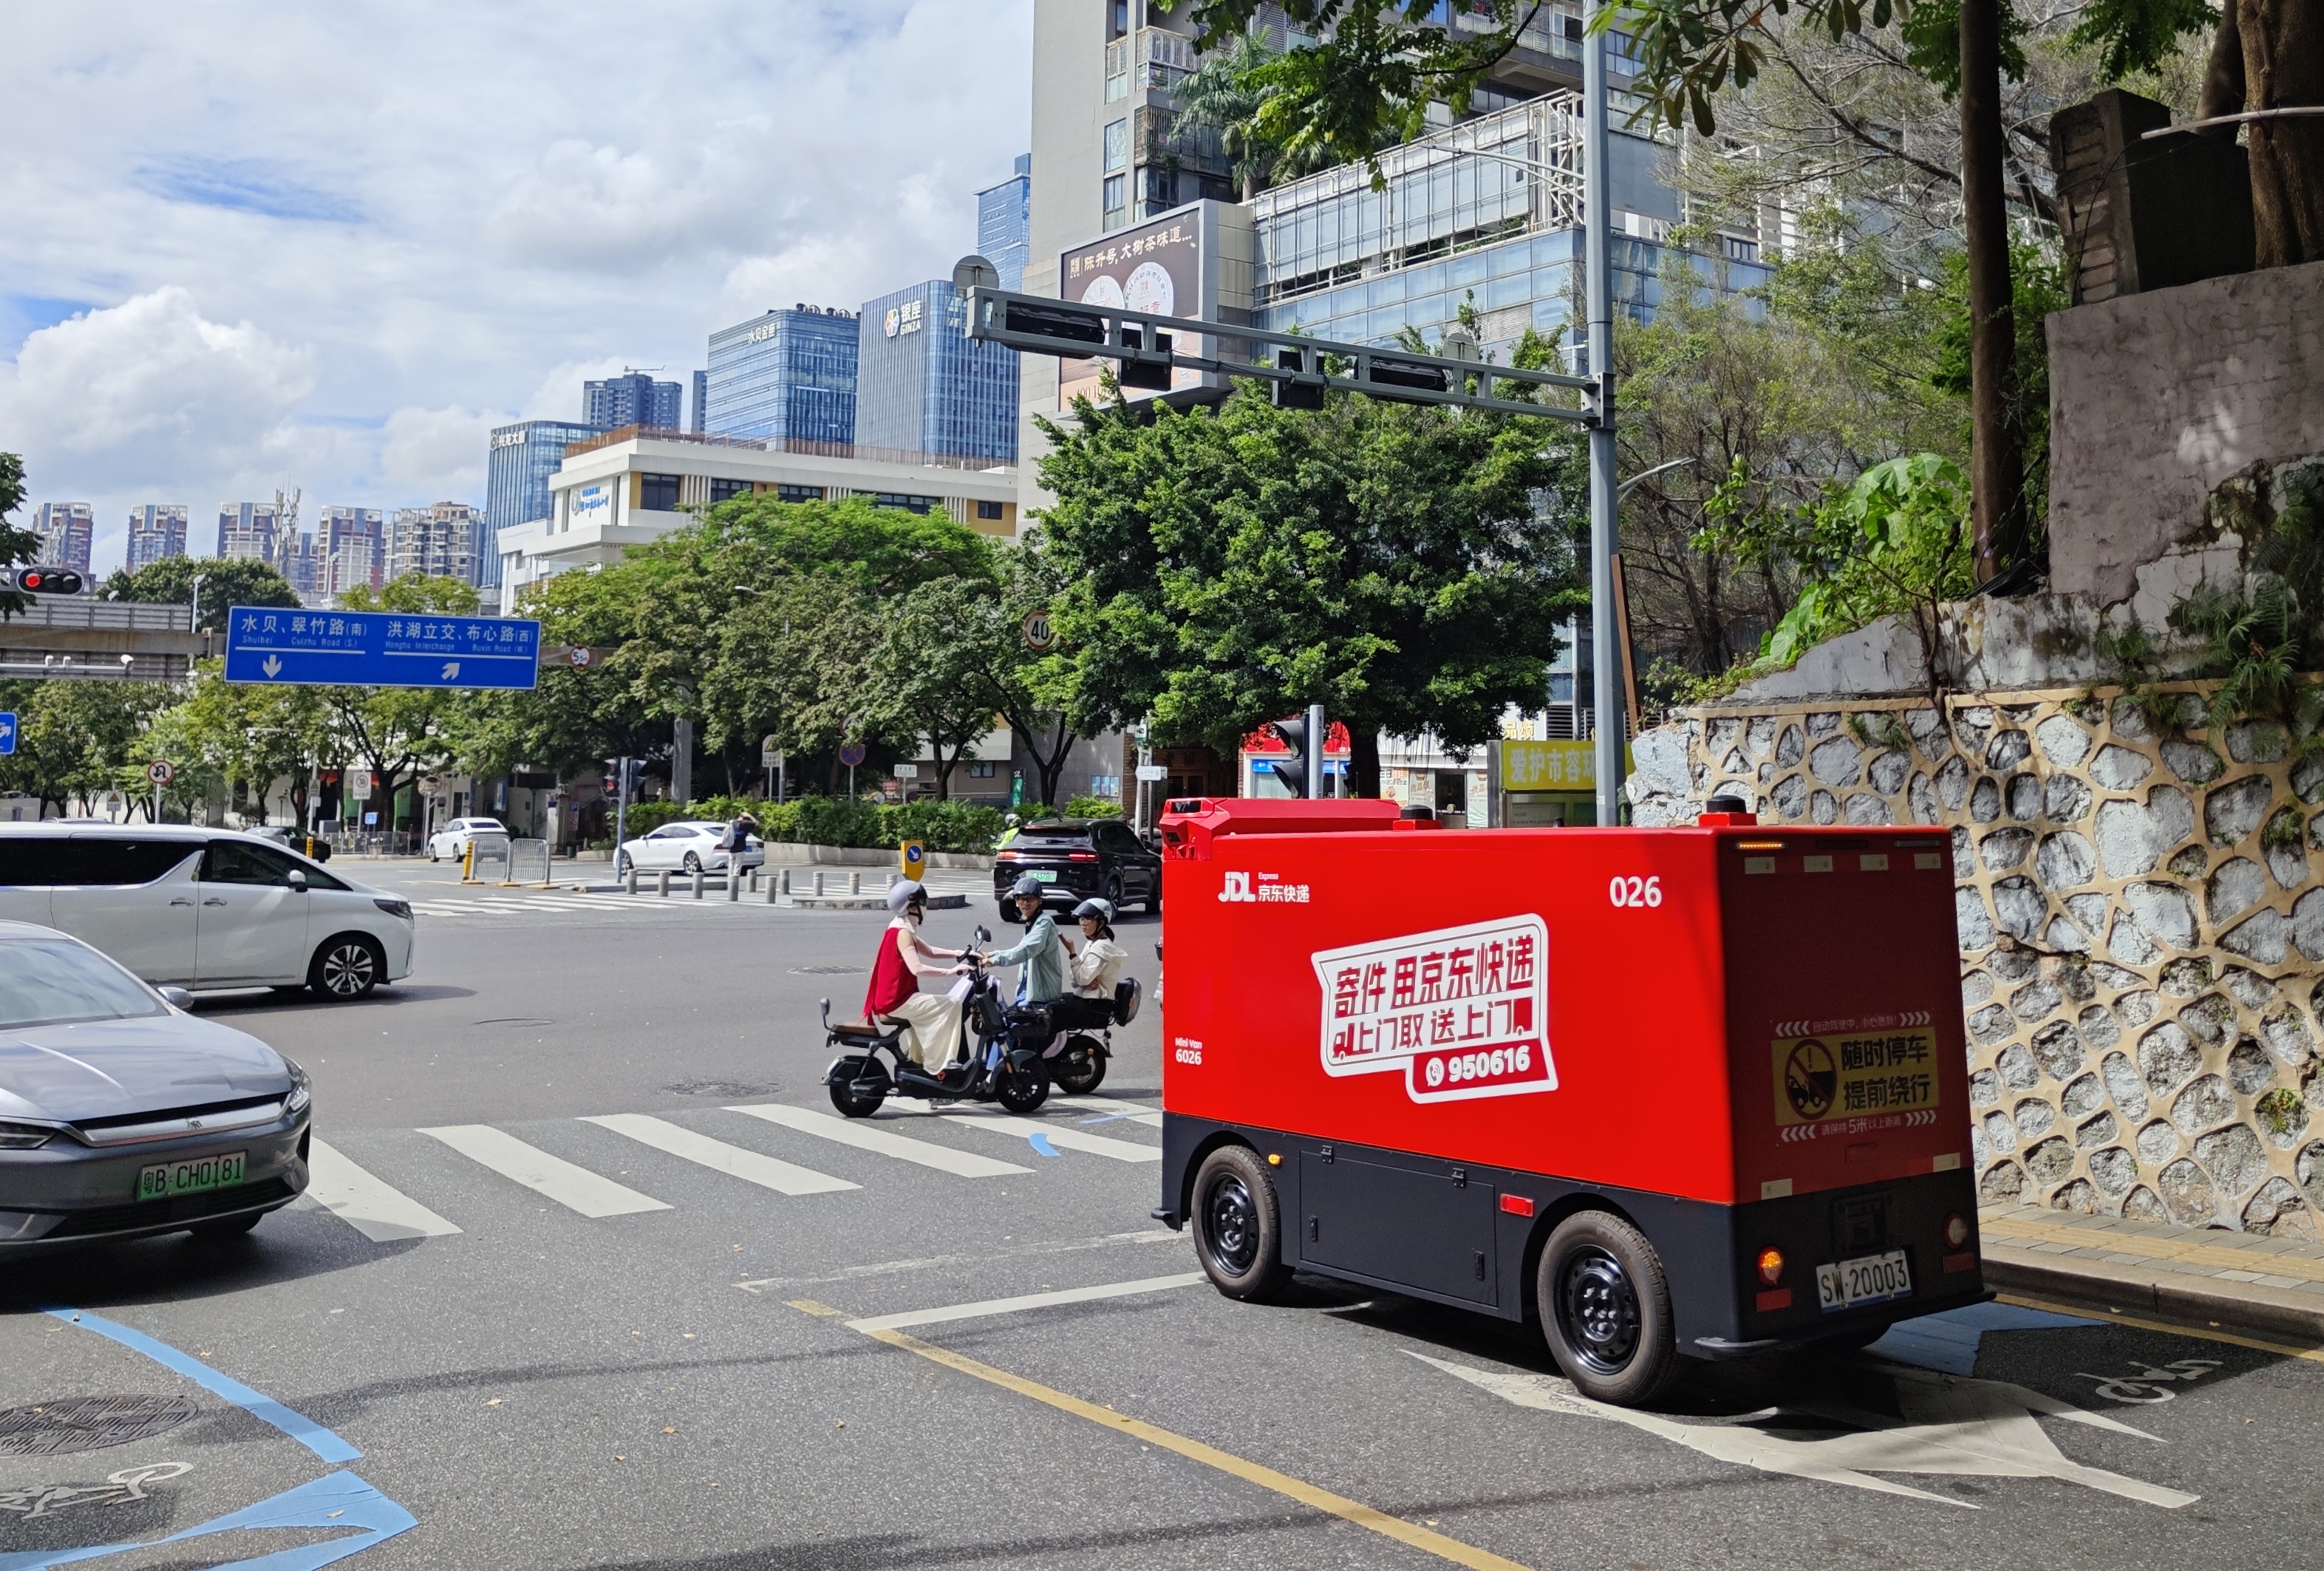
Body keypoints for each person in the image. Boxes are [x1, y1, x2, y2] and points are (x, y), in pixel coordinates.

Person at [861, 880, 968, 1071]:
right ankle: (941, 1064)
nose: (925, 907)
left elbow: (930, 951)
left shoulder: (899, 926)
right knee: (952, 1004)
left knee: (935, 1008)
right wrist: (951, 972)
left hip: (893, 998)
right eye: (922, 903)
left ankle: (919, 1060)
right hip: (896, 1000)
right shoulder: (903, 933)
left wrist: (958, 953)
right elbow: (916, 968)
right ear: (911, 907)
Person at [981, 874, 1066, 1009]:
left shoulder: (1044, 923)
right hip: (1028, 990)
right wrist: (991, 955)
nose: (1025, 904)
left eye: (1030, 899)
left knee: (1010, 1027)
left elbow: (1026, 950)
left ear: (1039, 901)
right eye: (1021, 899)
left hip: (1041, 994)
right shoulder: (1032, 922)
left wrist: (995, 960)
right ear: (1016, 902)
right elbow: (1021, 948)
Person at [1055, 897, 1128, 1031]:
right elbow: (1074, 977)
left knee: (1052, 1012)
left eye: (1088, 919)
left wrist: (1072, 953)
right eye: (1082, 919)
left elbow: (1081, 977)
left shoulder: (1101, 948)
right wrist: (1083, 980)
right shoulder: (1092, 944)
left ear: (1101, 922)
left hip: (1096, 1006)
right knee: (1050, 1002)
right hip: (1086, 999)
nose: (1083, 923)